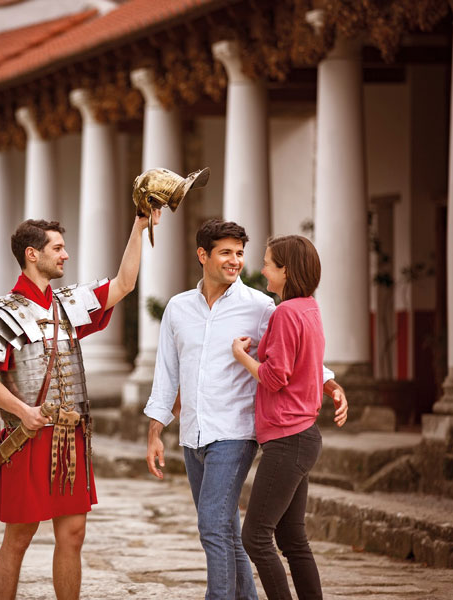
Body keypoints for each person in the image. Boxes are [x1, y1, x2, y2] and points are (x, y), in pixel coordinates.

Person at [144, 219, 347, 600]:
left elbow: (297, 354)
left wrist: (329, 382)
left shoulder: (261, 306)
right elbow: (167, 374)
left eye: (240, 253)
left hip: (236, 433)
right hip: (193, 435)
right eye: (226, 252)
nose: (236, 261)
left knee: (215, 527)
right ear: (203, 255)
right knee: (225, 530)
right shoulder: (178, 308)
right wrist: (156, 432)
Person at [0, 212, 159, 600]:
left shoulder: (68, 305)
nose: (66, 255)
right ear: (32, 254)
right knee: (19, 537)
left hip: (72, 436)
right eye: (57, 248)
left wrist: (138, 227)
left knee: (73, 535)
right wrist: (24, 412)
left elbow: (124, 284)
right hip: (26, 438)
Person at [232, 235, 340, 600]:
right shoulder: (309, 308)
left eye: (267, 263)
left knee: (255, 536)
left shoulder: (285, 312)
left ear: (286, 270)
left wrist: (240, 355)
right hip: (304, 435)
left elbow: (275, 377)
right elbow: (305, 366)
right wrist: (331, 386)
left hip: (288, 439)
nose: (261, 269)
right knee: (292, 537)